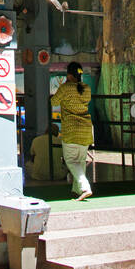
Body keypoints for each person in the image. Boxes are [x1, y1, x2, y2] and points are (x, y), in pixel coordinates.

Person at [50, 61, 93, 201]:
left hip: (71, 130)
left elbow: (54, 102)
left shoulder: (65, 88)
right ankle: (76, 190)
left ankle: (85, 186)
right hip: (86, 130)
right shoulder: (86, 88)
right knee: (80, 160)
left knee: (70, 161)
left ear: (69, 74)